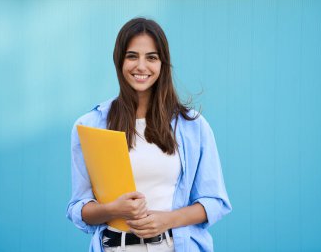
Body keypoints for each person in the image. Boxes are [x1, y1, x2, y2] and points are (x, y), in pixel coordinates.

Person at [66, 17, 232, 252]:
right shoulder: (90, 125)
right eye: (132, 56)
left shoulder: (192, 126)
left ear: (163, 63)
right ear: (119, 60)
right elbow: (78, 208)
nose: (141, 67)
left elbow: (215, 202)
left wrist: (167, 220)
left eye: (151, 57)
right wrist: (113, 210)